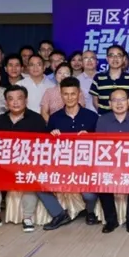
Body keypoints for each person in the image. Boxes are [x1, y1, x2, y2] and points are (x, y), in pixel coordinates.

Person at [0, 85, 74, 232]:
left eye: (19, 98)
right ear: (6, 102)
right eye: (11, 99)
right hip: (4, 166)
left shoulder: (36, 119)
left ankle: (27, 218)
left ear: (26, 100)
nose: (15, 102)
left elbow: (44, 146)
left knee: (32, 176)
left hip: (28, 165)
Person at [47, 77, 101, 226]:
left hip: (86, 167)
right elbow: (47, 147)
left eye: (73, 93)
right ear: (61, 94)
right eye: (66, 94)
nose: (69, 97)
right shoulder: (54, 118)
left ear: (79, 94)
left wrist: (90, 137)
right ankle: (60, 214)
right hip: (62, 166)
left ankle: (90, 212)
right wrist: (52, 136)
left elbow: (101, 145)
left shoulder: (92, 116)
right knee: (40, 184)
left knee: (89, 195)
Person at [96, 88, 129, 233]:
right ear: (109, 103)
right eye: (115, 100)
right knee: (102, 180)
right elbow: (100, 146)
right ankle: (111, 221)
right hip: (109, 163)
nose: (119, 103)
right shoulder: (102, 120)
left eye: (122, 100)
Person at [90, 45, 129, 114]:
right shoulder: (98, 77)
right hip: (104, 117)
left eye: (118, 56)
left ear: (124, 59)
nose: (115, 58)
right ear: (107, 58)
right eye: (111, 56)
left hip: (125, 118)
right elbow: (95, 101)